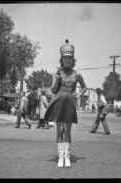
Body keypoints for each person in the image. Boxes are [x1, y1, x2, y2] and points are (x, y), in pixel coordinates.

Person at [44, 39, 87, 168]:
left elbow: (84, 87)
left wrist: (78, 96)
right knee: (59, 130)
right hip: (58, 104)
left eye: (69, 58)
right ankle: (60, 157)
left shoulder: (77, 74)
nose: (67, 60)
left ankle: (67, 157)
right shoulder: (57, 73)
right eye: (65, 58)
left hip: (69, 105)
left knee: (67, 130)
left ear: (73, 60)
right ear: (61, 59)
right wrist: (55, 78)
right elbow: (52, 90)